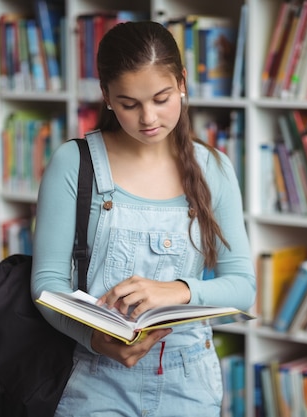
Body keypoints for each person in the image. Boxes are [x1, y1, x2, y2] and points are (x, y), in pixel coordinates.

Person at [31, 20, 255, 416]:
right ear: (107, 97)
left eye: (162, 98)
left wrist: (179, 291)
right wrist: (94, 339)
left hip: (189, 378)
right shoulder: (75, 163)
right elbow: (47, 284)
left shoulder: (213, 168)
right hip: (95, 375)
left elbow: (242, 289)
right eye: (129, 104)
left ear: (182, 82)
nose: (148, 118)